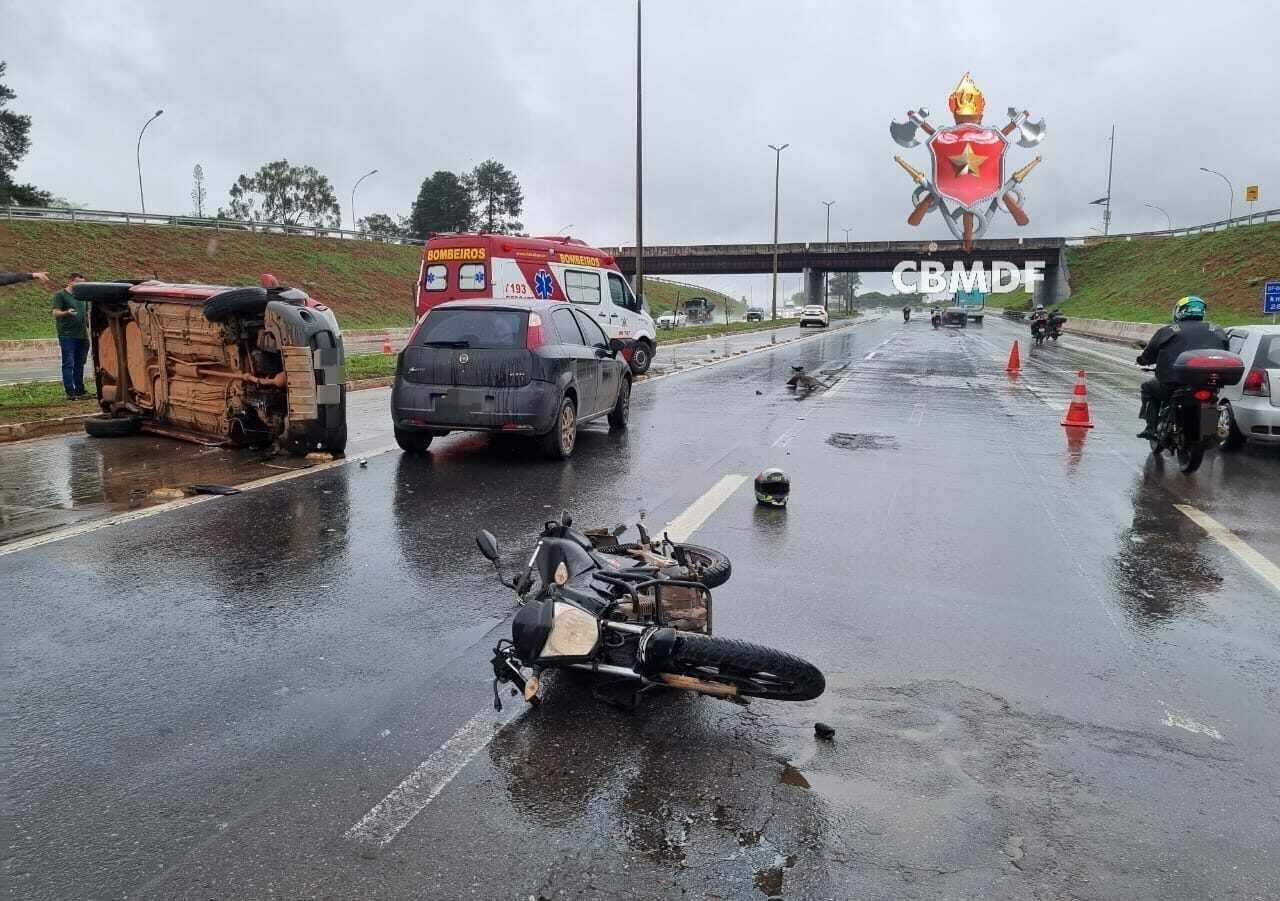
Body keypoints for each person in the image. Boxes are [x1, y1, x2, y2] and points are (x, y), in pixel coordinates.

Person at [1135, 296, 1228, 440]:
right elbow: (1226, 352)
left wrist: (1142, 360)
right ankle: (1209, 431)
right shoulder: (1218, 330)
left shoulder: (1168, 330)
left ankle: (1150, 428)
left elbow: (1149, 353)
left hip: (1172, 385)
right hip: (1208, 384)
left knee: (1147, 387)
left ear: (1179, 311)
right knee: (1211, 401)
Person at [51, 273, 90, 400]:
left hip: (82, 335)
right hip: (67, 335)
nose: (80, 285)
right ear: (70, 281)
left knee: (80, 363)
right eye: (78, 282)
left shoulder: (83, 297)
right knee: (68, 363)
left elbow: (87, 315)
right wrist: (66, 313)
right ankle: (70, 391)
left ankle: (79, 389)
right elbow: (55, 313)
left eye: (82, 283)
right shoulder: (60, 295)